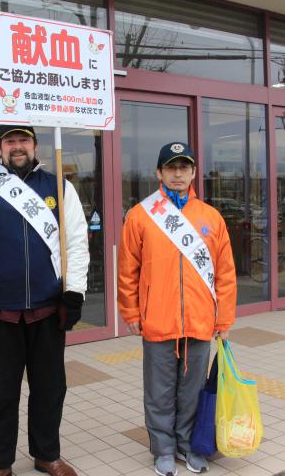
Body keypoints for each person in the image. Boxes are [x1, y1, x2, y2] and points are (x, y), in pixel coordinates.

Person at [0, 125, 89, 476]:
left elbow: (76, 243)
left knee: (50, 389)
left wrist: (74, 293)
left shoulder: (59, 187)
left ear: (35, 145)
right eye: (10, 141)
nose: (17, 146)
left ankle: (47, 455)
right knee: (1, 395)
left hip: (47, 311)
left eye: (23, 140)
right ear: (0, 148)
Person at [117, 142, 237, 476]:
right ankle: (163, 449)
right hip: (157, 320)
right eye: (171, 167)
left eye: (184, 167)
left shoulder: (211, 217)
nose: (178, 173)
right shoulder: (141, 215)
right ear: (159, 173)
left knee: (192, 391)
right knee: (159, 392)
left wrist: (224, 319)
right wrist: (131, 313)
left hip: (200, 321)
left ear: (194, 172)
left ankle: (188, 445)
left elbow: (226, 274)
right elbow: (128, 271)